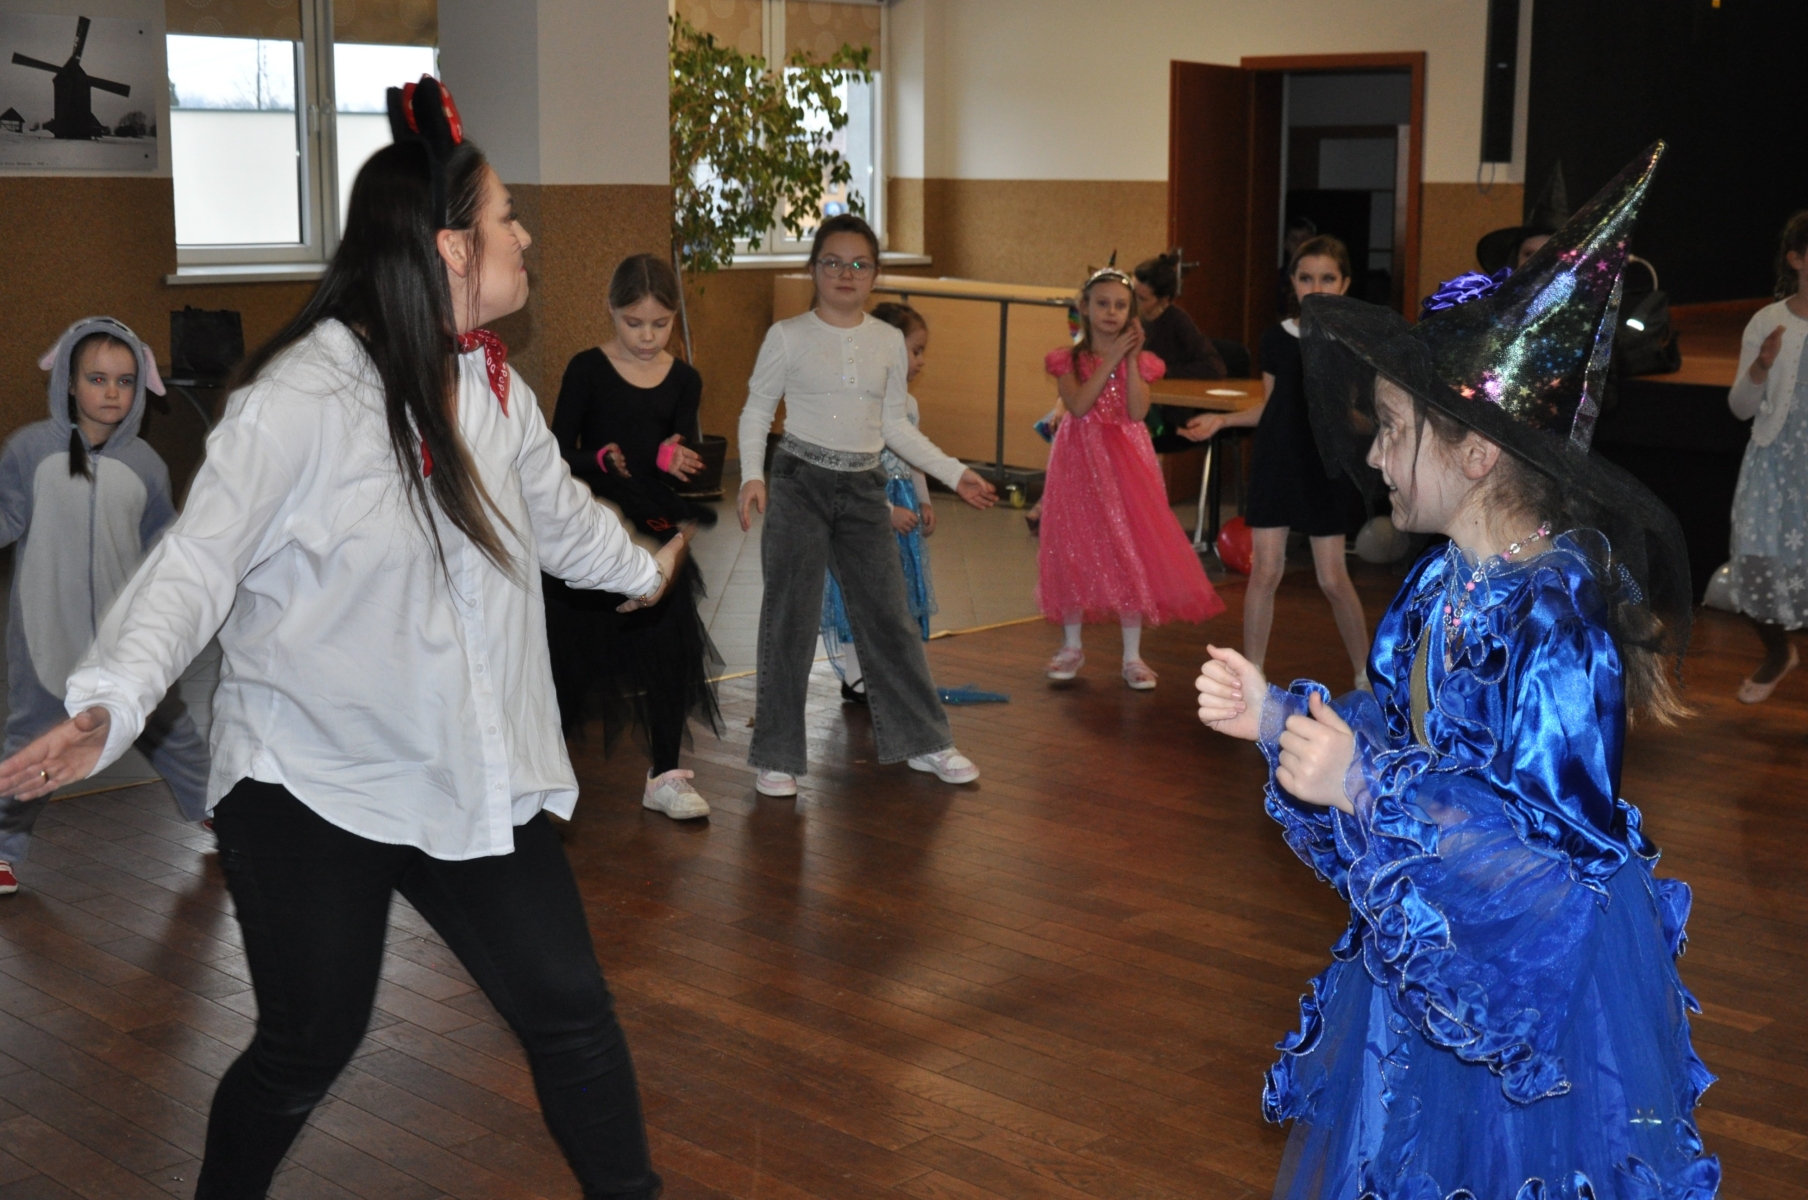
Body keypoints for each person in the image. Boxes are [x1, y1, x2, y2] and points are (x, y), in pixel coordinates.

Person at [0, 78, 677, 1198]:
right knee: (310, 1041)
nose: (525, 237)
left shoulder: (493, 389)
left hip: (466, 773)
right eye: (506, 217)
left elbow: (557, 517)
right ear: (450, 248)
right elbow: (195, 564)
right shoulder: (303, 398)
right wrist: (110, 701)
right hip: (312, 783)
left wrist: (643, 570)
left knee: (570, 1011)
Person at [1195, 144, 1720, 1200]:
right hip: (1435, 946)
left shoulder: (1555, 618)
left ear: (1476, 453)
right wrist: (1279, 718)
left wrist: (1361, 786)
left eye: (1393, 432)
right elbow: (1392, 730)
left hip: (1523, 984)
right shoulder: (1438, 585)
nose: (1373, 456)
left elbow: (1544, 869)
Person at [736, 213, 997, 798]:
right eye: (833, 262)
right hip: (799, 482)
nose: (846, 273)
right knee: (789, 618)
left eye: (860, 264)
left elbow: (895, 426)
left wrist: (955, 474)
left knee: (889, 616)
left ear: (875, 274)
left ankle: (925, 741)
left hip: (863, 489)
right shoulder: (787, 335)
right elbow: (757, 411)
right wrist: (752, 476)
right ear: (814, 269)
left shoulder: (885, 340)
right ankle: (777, 755)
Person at [0, 318, 210, 897]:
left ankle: (211, 808)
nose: (112, 392)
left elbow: (163, 543)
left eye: (124, 381)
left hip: (125, 641)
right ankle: (2, 849)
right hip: (46, 633)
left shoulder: (146, 464)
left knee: (167, 728)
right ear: (69, 382)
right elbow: (6, 514)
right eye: (97, 379)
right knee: (31, 744)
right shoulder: (29, 451)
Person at [544, 252, 722, 817]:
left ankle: (664, 774)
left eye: (660, 324)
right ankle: (539, 774)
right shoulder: (587, 369)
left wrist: (673, 459)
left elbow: (676, 450)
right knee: (568, 654)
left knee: (669, 650)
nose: (647, 337)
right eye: (634, 322)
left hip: (652, 523)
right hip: (590, 524)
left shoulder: (685, 379)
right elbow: (555, 451)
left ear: (674, 318)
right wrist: (596, 457)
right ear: (611, 311)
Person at [1182, 236, 1370, 689]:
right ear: (1293, 282)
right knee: (1266, 571)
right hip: (1278, 461)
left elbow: (1358, 415)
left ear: (1344, 284)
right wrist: (1223, 420)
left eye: (1327, 278)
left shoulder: (1352, 340)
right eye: (1306, 278)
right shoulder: (1275, 338)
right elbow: (1272, 405)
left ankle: (1367, 674)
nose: (1316, 288)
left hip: (1325, 466)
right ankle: (1253, 675)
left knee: (1332, 578)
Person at [1038, 267, 1225, 689]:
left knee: (1129, 546)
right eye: (1102, 304)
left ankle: (1132, 656)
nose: (1111, 312)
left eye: (1120, 306)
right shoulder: (1067, 360)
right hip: (1079, 459)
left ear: (1131, 314)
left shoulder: (1142, 362)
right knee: (1074, 545)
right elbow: (1080, 406)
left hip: (1126, 459)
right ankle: (1071, 646)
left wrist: (1130, 362)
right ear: (1085, 308)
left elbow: (1138, 411)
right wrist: (1109, 361)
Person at [820, 300, 939, 704]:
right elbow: (851, 467)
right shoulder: (859, 402)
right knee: (861, 588)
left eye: (922, 351)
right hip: (868, 505)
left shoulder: (909, 405)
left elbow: (915, 456)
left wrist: (923, 500)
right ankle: (857, 676)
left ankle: (889, 669)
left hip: (903, 502)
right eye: (915, 350)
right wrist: (886, 512)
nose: (921, 361)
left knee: (896, 590)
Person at [1724, 209, 1808, 702]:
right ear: (1797, 259)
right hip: (1775, 458)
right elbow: (1740, 408)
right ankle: (1779, 651)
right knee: (1755, 557)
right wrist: (1761, 365)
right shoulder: (1768, 321)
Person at [1131, 252, 1229, 451]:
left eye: (1142, 299)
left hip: (1166, 415)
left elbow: (1214, 367)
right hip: (1142, 404)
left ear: (1164, 300)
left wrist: (1166, 371)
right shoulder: (1134, 319)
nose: (1134, 303)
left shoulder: (1178, 321)